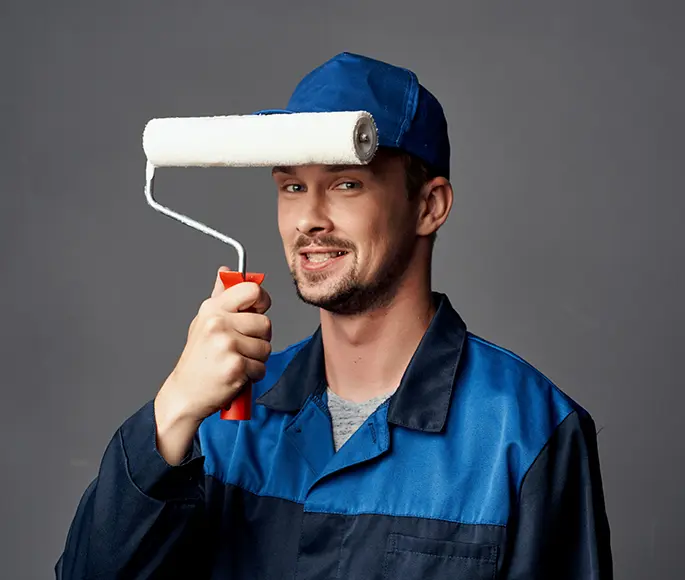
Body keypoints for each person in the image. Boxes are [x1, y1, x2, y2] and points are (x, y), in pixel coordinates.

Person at [56, 52, 612, 579]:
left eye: (346, 183)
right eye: (293, 186)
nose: (309, 220)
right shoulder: (222, 424)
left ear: (429, 206)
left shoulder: (527, 432)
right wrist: (173, 408)